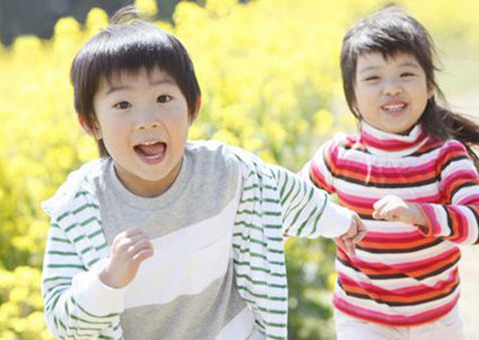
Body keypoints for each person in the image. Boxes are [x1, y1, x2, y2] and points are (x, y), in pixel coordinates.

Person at [40, 5, 365, 339]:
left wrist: (341, 222)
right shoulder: (79, 208)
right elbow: (61, 322)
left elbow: (282, 192)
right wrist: (106, 280)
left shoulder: (225, 171)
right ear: (91, 123)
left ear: (193, 106)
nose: (148, 119)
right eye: (123, 105)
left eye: (163, 97)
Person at [299, 4, 479, 340]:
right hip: (362, 318)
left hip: (437, 319)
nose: (391, 88)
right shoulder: (338, 156)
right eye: (372, 78)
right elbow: (293, 202)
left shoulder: (446, 156)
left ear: (429, 86)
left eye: (406, 74)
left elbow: (476, 222)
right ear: (352, 96)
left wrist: (419, 214)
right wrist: (333, 218)